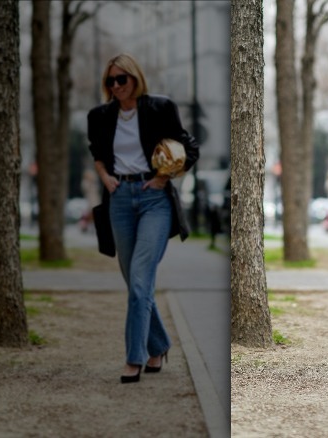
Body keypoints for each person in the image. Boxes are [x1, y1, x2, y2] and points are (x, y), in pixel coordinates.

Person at [87, 53, 199, 383]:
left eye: (122, 79)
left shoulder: (159, 107)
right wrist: (105, 176)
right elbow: (97, 152)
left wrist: (164, 178)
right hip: (119, 199)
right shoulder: (100, 115)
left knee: (139, 281)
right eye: (111, 81)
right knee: (135, 284)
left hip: (154, 200)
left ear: (135, 78)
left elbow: (189, 148)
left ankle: (135, 358)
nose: (117, 85)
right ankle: (160, 344)